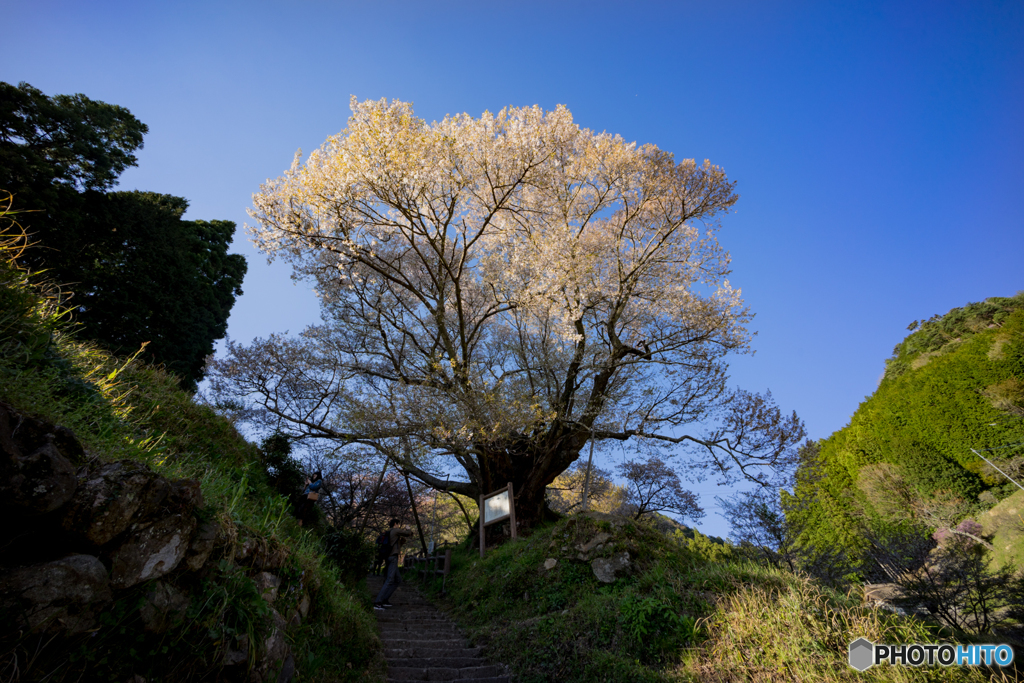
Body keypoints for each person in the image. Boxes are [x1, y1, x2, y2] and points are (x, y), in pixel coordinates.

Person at [373, 518, 412, 610]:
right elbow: (408, 533)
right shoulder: (395, 530)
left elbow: (396, 546)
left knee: (398, 579)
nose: (399, 526)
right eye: (398, 524)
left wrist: (401, 542)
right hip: (393, 558)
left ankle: (385, 599)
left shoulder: (389, 533)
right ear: (395, 523)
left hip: (389, 557)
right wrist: (408, 528)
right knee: (390, 580)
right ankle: (378, 602)